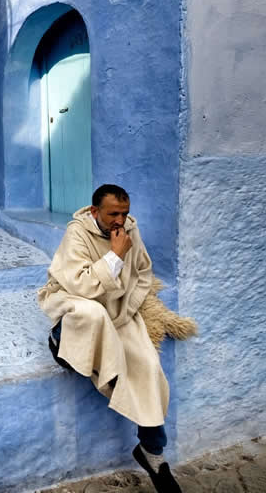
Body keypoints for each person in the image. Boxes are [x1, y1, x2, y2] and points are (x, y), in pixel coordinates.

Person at [37, 184, 182, 493]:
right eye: (113, 214)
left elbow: (143, 272)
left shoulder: (130, 229)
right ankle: (59, 342)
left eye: (125, 213)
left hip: (116, 310)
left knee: (147, 366)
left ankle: (152, 453)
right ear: (95, 212)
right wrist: (115, 256)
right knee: (92, 315)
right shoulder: (77, 233)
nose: (120, 221)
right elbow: (80, 287)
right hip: (76, 306)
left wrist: (126, 308)